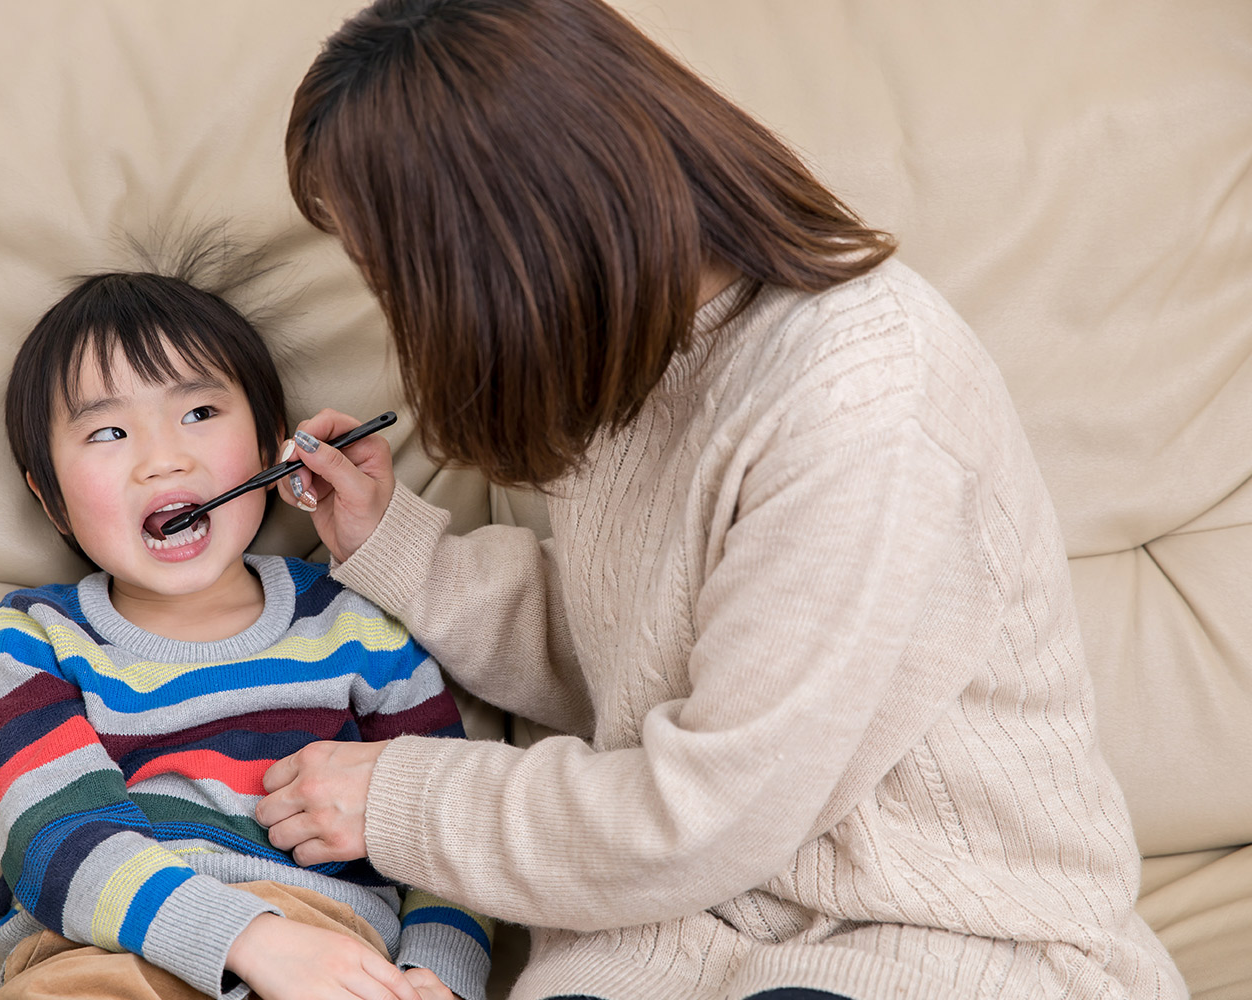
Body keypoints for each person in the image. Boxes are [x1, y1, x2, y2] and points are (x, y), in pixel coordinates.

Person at [253, 1, 1189, 999]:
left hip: (940, 935)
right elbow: (638, 658)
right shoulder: (635, 357)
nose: (395, 314)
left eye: (383, 272)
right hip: (676, 930)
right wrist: (397, 544)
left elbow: (708, 812)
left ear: (488, 251)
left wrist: (407, 802)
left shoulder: (860, 402)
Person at [0, 264, 493, 1000]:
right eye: (110, 431)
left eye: (199, 414)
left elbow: (446, 824)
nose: (164, 459)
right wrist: (243, 938)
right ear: (51, 499)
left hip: (335, 952)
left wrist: (438, 978)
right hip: (106, 950)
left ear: (272, 450)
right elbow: (51, 840)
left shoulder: (360, 624)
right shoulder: (38, 637)